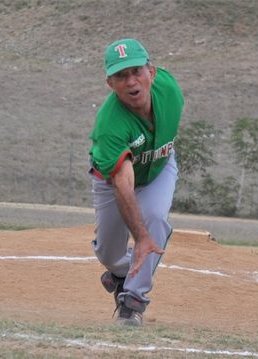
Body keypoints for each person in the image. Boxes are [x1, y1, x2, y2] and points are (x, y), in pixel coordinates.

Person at [89, 38, 184, 326]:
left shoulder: (169, 90)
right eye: (121, 75)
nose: (132, 81)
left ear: (151, 72)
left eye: (136, 71)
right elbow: (123, 185)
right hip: (114, 181)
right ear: (110, 83)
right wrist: (140, 237)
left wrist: (147, 234)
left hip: (158, 167)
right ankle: (119, 274)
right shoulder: (109, 125)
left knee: (155, 217)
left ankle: (133, 301)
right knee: (108, 252)